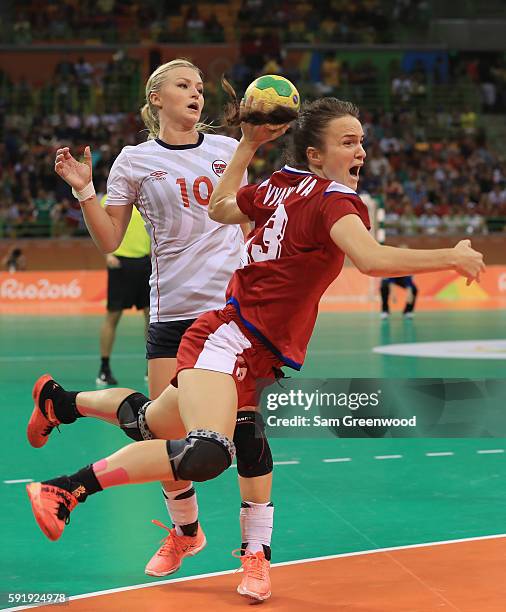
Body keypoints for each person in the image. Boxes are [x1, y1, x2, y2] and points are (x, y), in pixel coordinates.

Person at [27, 97, 484, 603]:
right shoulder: (335, 200)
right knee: (208, 451)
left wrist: (245, 147)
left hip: (252, 348)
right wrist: (451, 254)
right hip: (228, 338)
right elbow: (371, 260)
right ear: (315, 154)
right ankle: (66, 489)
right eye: (349, 142)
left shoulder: (281, 184)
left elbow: (220, 207)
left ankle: (60, 402)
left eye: (363, 142)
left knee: (151, 425)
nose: (362, 151)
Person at [39, 59, 277, 601]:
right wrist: (84, 190)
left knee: (244, 430)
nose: (196, 93)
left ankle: (257, 553)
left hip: (231, 316)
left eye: (199, 87)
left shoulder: (227, 150)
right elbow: (108, 238)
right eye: (184, 85)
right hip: (171, 314)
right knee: (162, 432)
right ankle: (187, 533)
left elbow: (256, 215)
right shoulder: (135, 160)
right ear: (156, 96)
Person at [97, 194, 151, 385]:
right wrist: (107, 255)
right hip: (119, 262)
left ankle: (151, 365)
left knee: (151, 316)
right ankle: (104, 368)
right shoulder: (107, 200)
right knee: (113, 316)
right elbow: (99, 229)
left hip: (146, 262)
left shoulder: (146, 195)